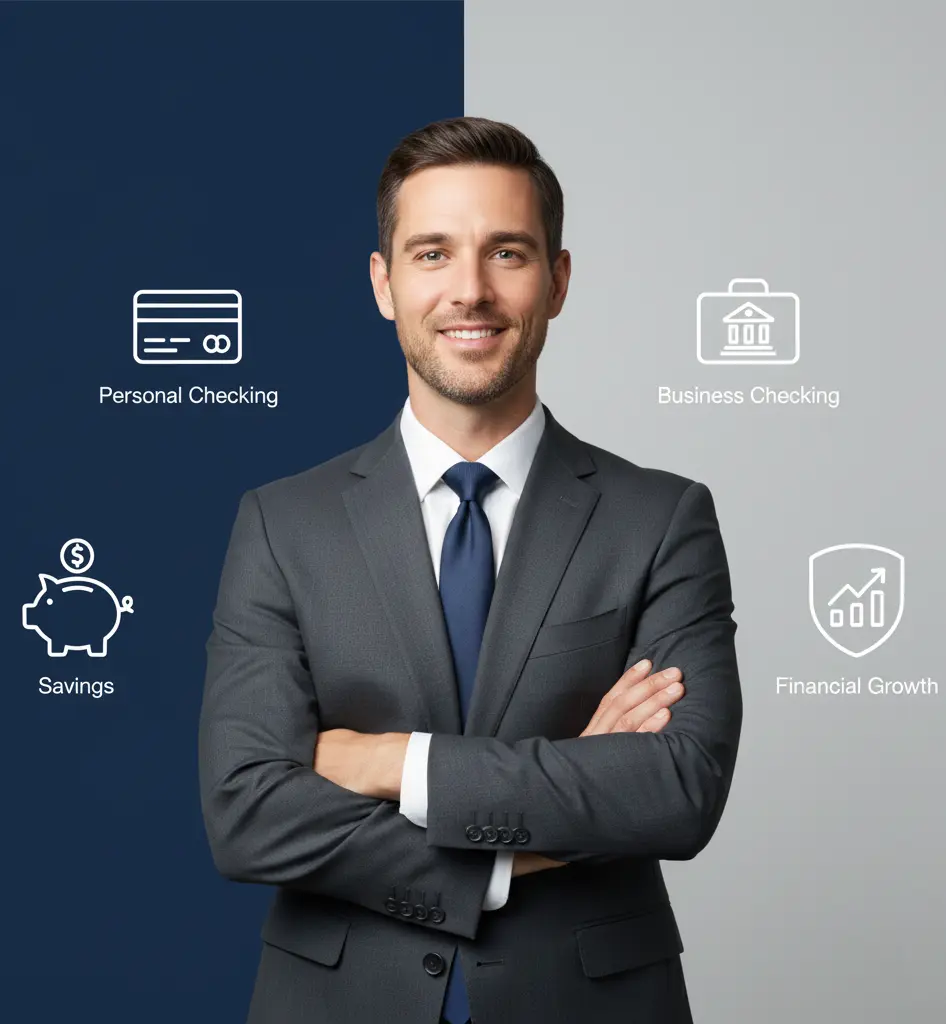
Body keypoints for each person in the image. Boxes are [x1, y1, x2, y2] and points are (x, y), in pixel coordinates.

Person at [198, 115, 742, 1024]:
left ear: (559, 281)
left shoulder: (663, 519)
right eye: (432, 254)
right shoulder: (282, 524)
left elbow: (676, 789)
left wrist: (390, 762)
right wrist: (524, 839)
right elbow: (247, 812)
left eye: (508, 253)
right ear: (384, 283)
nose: (471, 291)